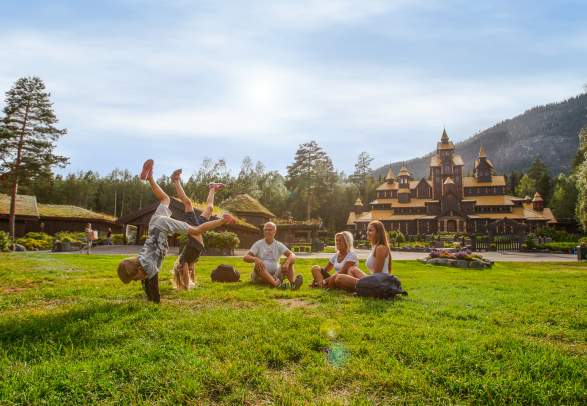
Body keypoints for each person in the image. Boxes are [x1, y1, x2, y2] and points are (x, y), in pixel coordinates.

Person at [117, 159, 235, 303]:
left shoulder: (148, 267)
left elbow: (152, 285)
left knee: (196, 227)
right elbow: (146, 280)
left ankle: (222, 219)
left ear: (139, 270)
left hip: (162, 226)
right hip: (154, 226)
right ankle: (150, 178)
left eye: (135, 278)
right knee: (166, 199)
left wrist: (155, 301)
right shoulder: (141, 262)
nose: (137, 281)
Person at [170, 168, 223, 290]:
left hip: (193, 227)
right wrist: (191, 278)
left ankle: (176, 180)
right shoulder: (193, 261)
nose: (189, 270)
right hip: (198, 227)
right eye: (189, 271)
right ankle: (212, 188)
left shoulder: (183, 260)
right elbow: (191, 273)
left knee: (188, 203)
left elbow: (186, 279)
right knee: (209, 209)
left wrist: (186, 285)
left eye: (186, 271)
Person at [331, 220, 392, 292]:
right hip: (374, 281)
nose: (367, 232)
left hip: (379, 284)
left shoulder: (380, 248)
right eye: (367, 230)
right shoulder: (375, 247)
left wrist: (359, 281)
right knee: (352, 269)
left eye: (370, 230)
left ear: (378, 233)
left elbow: (377, 275)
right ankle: (357, 288)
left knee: (340, 278)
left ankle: (358, 288)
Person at [243, 222, 303, 290]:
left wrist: (287, 263)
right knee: (258, 265)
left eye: (270, 230)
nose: (267, 231)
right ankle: (275, 284)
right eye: (266, 230)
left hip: (276, 275)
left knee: (290, 261)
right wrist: (255, 259)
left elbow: (293, 255)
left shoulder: (278, 244)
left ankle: (293, 284)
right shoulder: (258, 244)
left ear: (275, 231)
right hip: (260, 276)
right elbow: (245, 257)